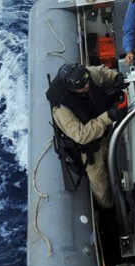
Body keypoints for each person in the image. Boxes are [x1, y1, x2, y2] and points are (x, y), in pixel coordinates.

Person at [46, 62, 127, 209]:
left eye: (87, 81)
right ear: (71, 87)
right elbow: (81, 135)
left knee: (119, 162)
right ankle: (108, 210)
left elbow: (101, 73)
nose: (87, 86)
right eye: (82, 86)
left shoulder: (84, 76)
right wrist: (109, 116)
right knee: (100, 183)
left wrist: (116, 77)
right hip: (90, 148)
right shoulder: (62, 109)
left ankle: (124, 188)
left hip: (104, 130)